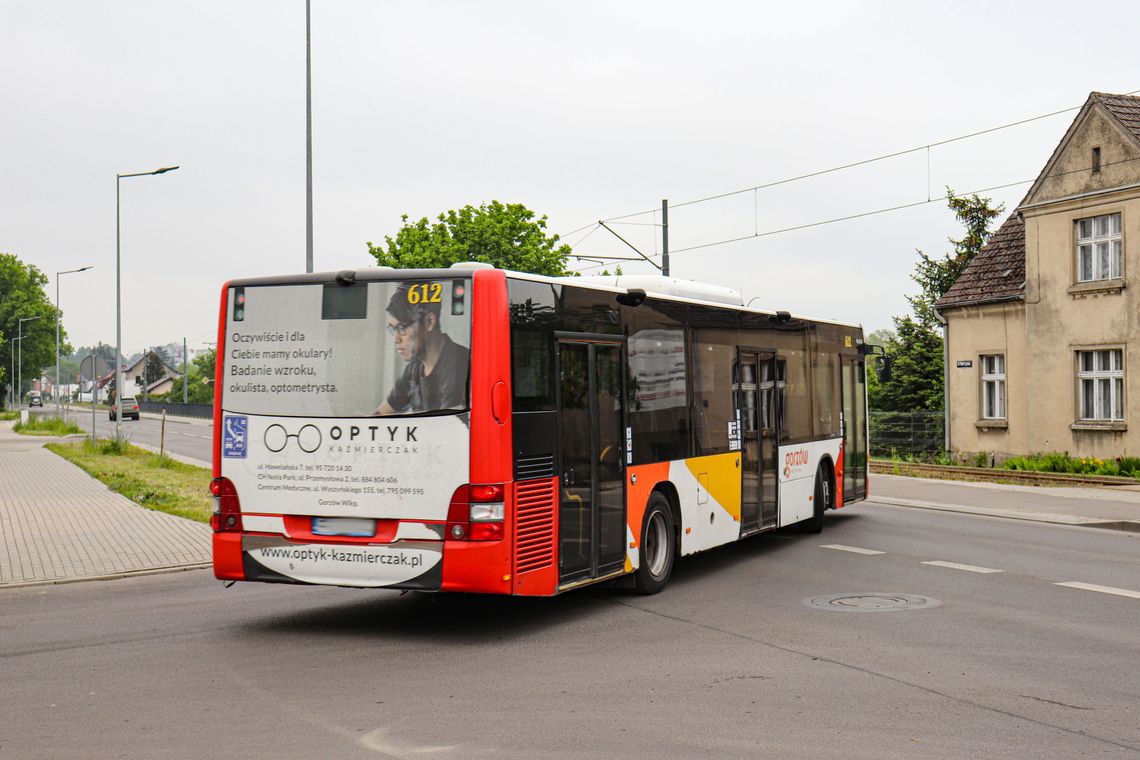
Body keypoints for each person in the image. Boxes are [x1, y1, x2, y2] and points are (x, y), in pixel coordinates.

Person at [375, 282, 469, 414]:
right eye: (393, 329)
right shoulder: (415, 367)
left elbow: (447, 428)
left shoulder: (459, 365)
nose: (396, 339)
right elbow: (381, 413)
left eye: (402, 328)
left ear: (428, 322)